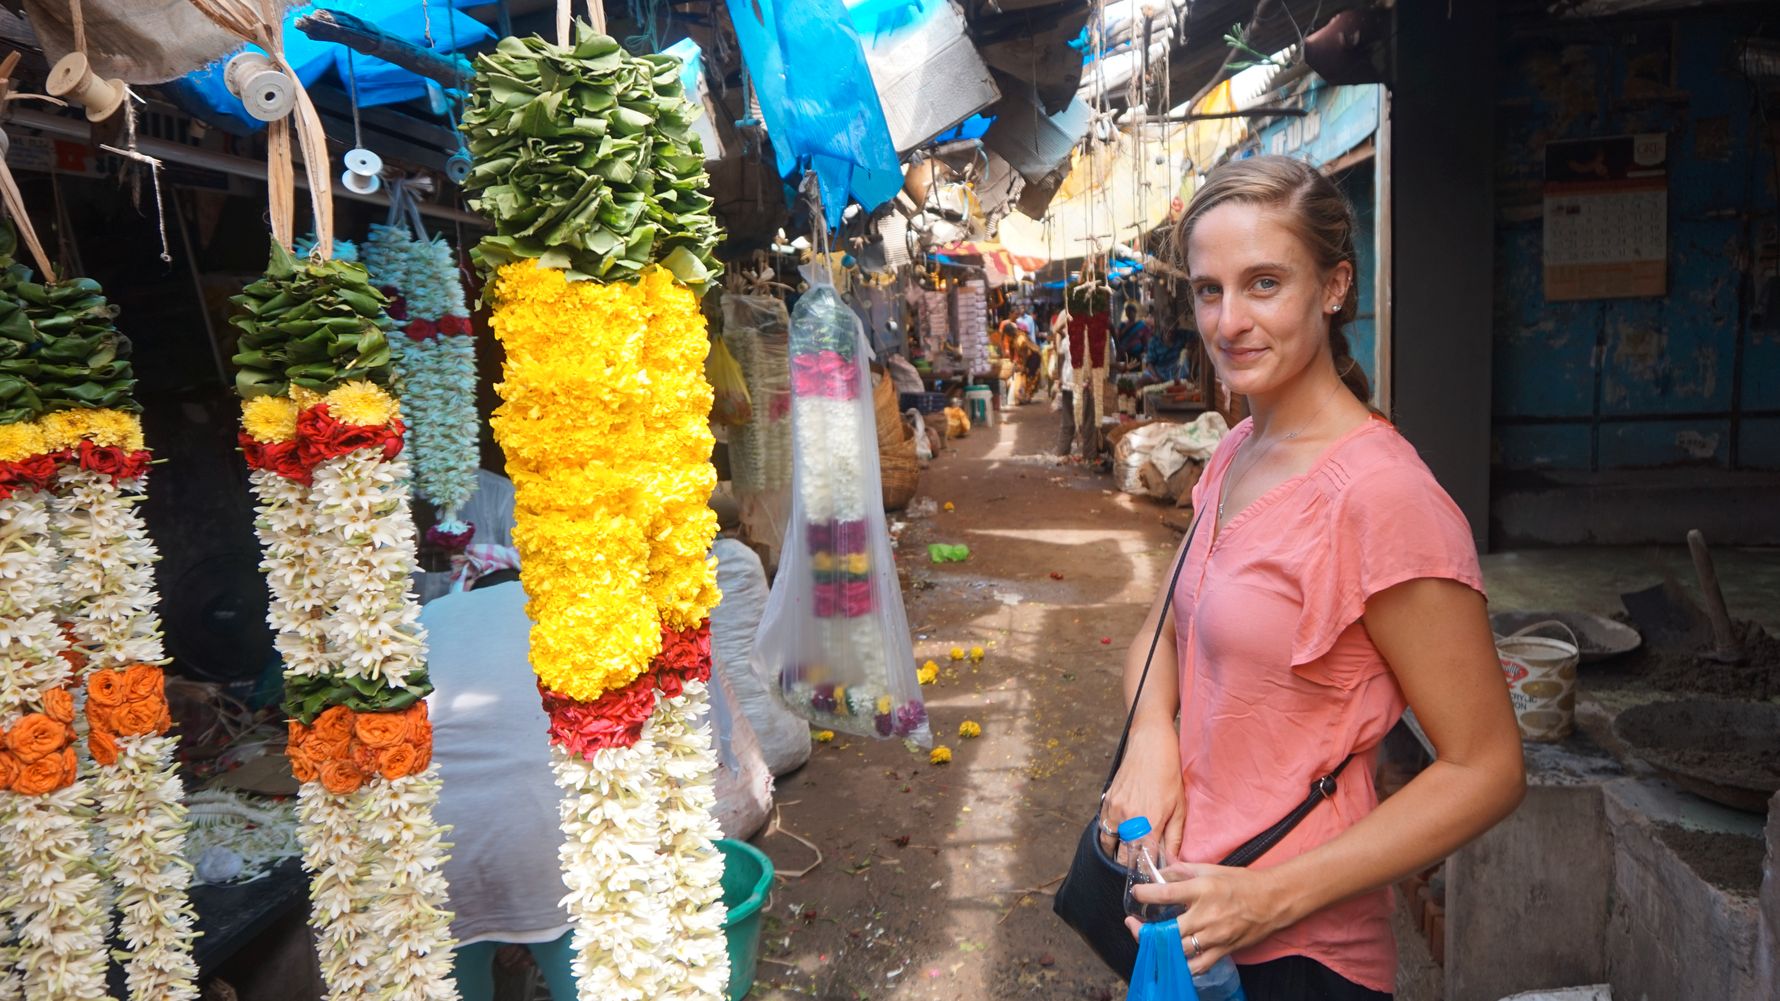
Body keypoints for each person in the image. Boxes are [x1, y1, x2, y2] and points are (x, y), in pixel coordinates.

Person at [1099, 155, 1524, 1000]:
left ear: (1334, 288)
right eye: (1210, 289)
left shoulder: (1382, 496)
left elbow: (1489, 765)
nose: (1229, 321)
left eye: (1264, 283)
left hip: (1301, 960)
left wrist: (1266, 898)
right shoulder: (1233, 450)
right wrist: (1153, 735)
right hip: (1189, 927)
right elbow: (1168, 627)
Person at [424, 560, 578, 1001]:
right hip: (542, 839)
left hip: (434, 841)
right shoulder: (561, 613)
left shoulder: (432, 615)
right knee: (582, 969)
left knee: (458, 964)